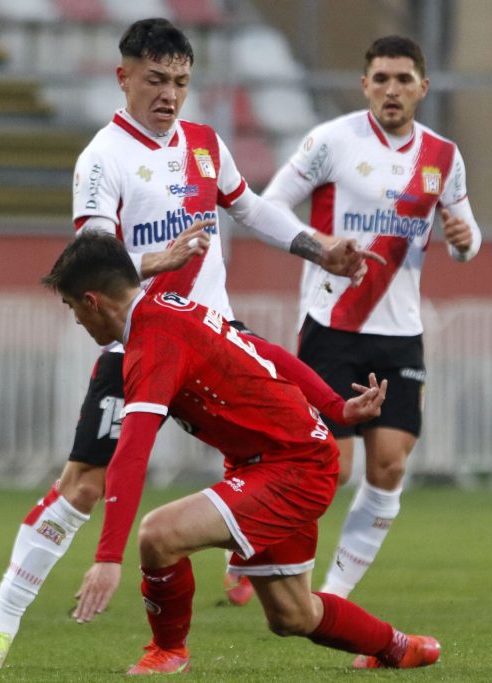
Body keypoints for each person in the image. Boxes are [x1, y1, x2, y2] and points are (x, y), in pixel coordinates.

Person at [0, 17, 381, 669]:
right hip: (141, 345)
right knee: (82, 484)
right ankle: (1, 621)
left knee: (272, 447)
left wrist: (319, 249)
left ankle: (251, 555)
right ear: (123, 76)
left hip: (212, 334)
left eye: (181, 82)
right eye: (156, 80)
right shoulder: (103, 158)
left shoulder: (206, 144)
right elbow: (91, 259)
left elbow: (250, 207)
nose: (169, 94)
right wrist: (154, 260)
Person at [55, 230, 440, 674]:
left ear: (91, 301)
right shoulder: (169, 308)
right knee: (293, 616)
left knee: (157, 535)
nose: (77, 321)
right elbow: (265, 349)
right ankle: (397, 647)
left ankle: (168, 651)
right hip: (282, 460)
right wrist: (334, 406)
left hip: (293, 468)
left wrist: (107, 559)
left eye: (71, 309)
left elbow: (132, 453)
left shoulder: (153, 340)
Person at [262, 35, 482, 599]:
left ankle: (332, 596)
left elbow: (466, 240)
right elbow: (267, 204)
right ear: (365, 85)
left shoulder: (443, 156)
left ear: (422, 88)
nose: (391, 89)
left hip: (400, 335)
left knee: (387, 468)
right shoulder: (331, 141)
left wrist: (463, 240)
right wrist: (318, 245)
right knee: (327, 471)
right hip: (332, 326)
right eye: (381, 78)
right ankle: (258, 552)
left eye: (403, 79)